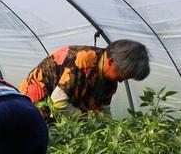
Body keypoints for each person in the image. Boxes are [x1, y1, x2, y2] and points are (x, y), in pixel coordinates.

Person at [19, 40, 150, 118]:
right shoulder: (83, 61)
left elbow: (103, 110)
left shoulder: (110, 81)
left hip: (61, 110)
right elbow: (58, 104)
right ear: (111, 62)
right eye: (122, 75)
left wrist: (112, 130)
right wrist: (87, 120)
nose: (121, 81)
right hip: (37, 102)